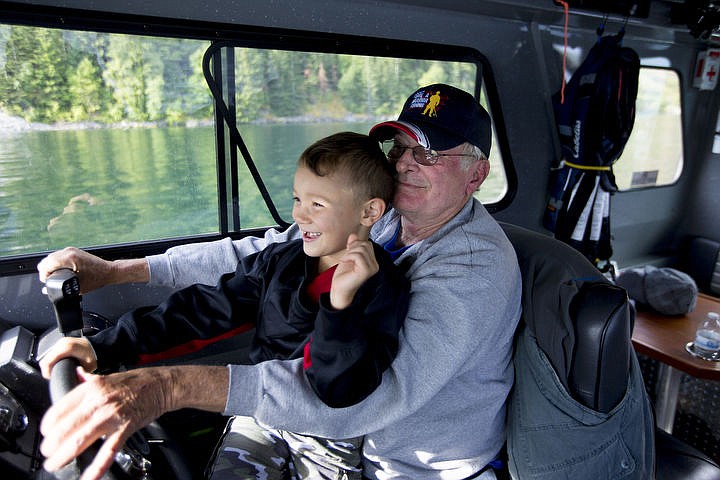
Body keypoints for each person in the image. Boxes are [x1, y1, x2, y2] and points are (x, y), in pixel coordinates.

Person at [38, 83, 522, 480]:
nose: (403, 163)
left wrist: (166, 387)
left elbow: (366, 400)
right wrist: (119, 271)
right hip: (317, 421)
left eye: (429, 154)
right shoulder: (380, 217)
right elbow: (260, 258)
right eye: (400, 148)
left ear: (476, 174)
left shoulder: (475, 268)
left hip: (406, 465)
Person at [41, 131, 410, 479]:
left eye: (318, 204)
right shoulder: (280, 262)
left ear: (369, 213)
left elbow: (337, 390)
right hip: (262, 416)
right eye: (298, 199)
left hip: (325, 440)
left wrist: (339, 306)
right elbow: (202, 311)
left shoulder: (382, 289)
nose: (299, 216)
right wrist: (104, 346)